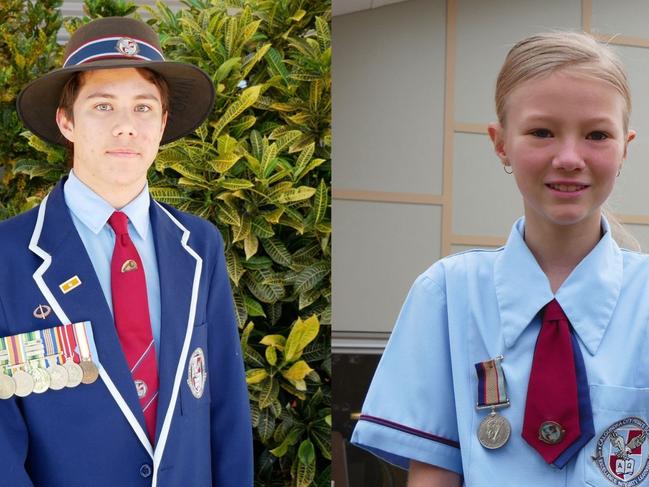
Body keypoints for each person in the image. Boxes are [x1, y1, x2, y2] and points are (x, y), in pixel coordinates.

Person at [351, 32, 649, 486]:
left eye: (597, 135)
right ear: (500, 143)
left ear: (625, 146)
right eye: (542, 132)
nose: (569, 157)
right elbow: (433, 477)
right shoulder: (447, 295)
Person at [0, 17, 252, 486]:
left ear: (163, 123)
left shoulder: (199, 246)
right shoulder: (8, 256)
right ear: (66, 121)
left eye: (142, 107)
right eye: (102, 106)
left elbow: (225, 408)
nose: (125, 127)